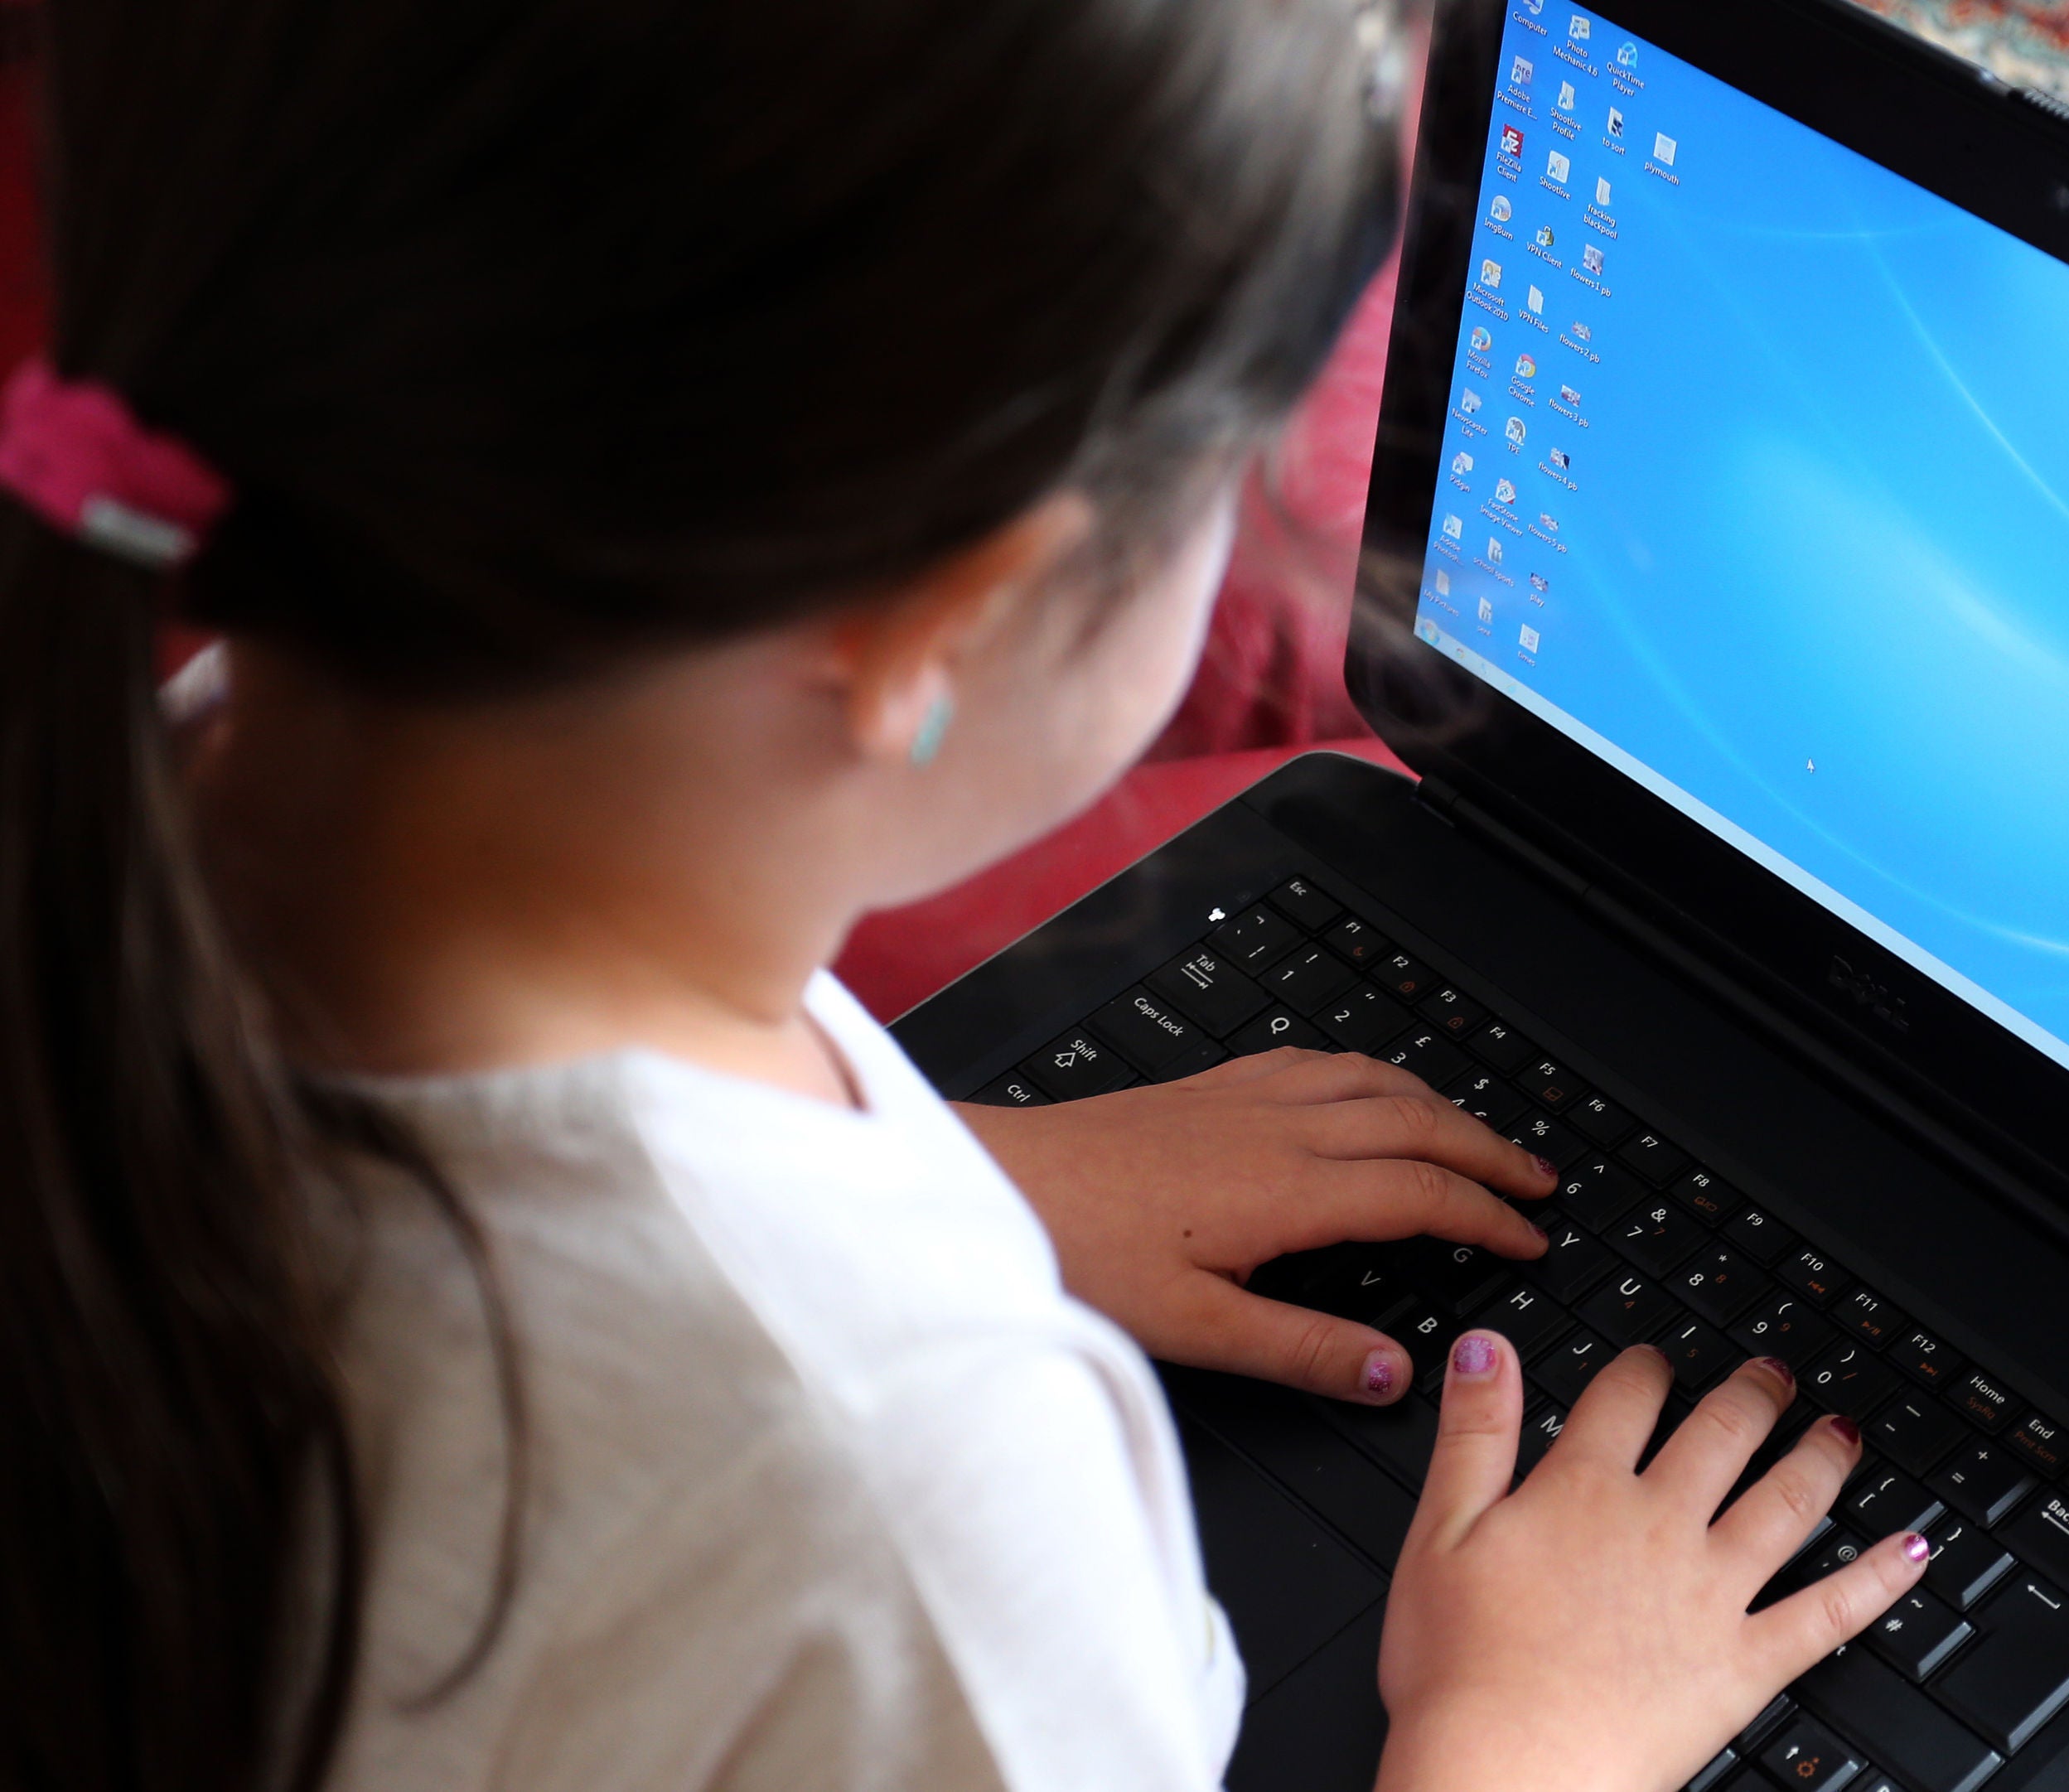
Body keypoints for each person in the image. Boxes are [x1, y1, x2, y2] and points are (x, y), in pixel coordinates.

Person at [0, 1, 1932, 1789]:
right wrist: (1528, 1728)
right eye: (1231, 473)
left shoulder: (183, 768)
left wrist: (957, 1172)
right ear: (946, 614)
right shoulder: (925, 1482)